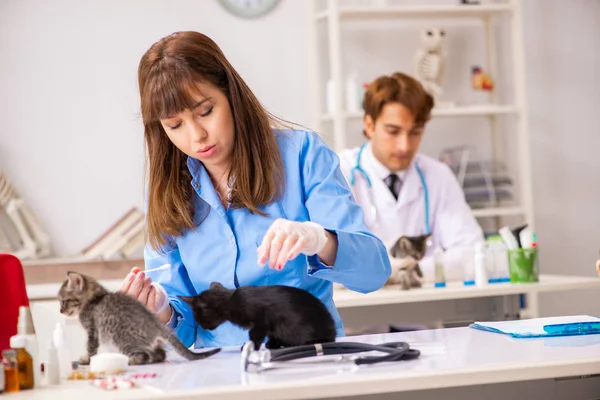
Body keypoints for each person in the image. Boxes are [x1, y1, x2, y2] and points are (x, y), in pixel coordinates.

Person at [119, 31, 391, 349]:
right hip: (219, 377)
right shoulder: (167, 193)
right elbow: (185, 327)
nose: (197, 136)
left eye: (205, 111)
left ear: (231, 94)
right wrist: (159, 311)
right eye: (174, 125)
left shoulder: (302, 156)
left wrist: (321, 240)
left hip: (307, 363)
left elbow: (374, 273)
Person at [339, 72, 484, 282]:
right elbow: (334, 256)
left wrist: (408, 272)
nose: (404, 146)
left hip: (427, 305)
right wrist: (392, 272)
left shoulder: (438, 175)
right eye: (393, 131)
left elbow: (471, 251)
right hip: (362, 304)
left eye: (415, 132)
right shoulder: (341, 172)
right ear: (369, 126)